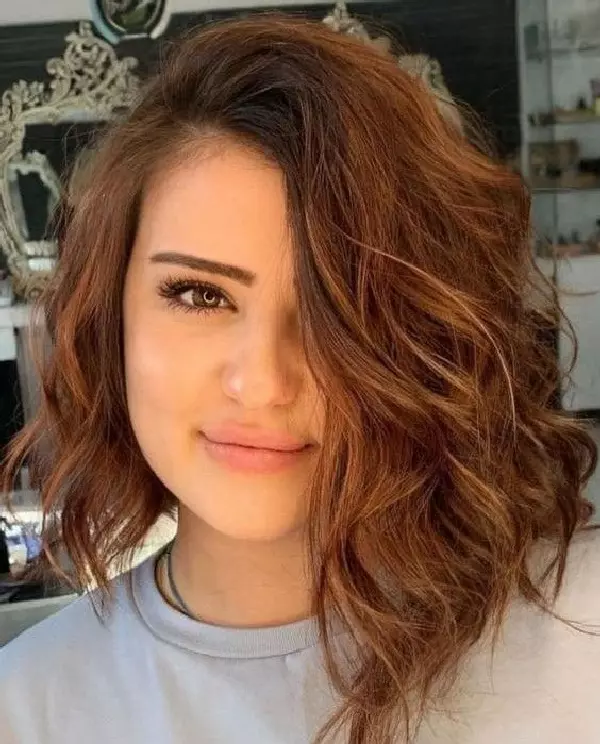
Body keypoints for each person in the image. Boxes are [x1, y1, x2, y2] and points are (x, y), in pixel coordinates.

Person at [0, 14, 599, 744]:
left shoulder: (581, 629)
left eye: (336, 306)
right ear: (109, 319)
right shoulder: (28, 707)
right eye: (199, 294)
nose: (262, 383)